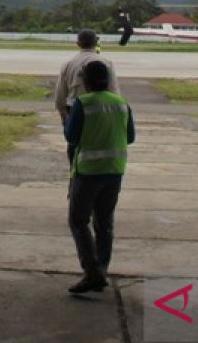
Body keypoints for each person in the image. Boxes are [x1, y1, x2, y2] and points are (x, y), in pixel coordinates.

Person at [64, 59, 134, 294]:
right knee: (104, 223)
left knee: (78, 220)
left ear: (85, 80)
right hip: (115, 170)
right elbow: (130, 137)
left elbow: (71, 137)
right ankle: (101, 270)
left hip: (88, 172)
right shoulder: (122, 103)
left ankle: (92, 272)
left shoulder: (83, 104)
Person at [53, 29, 119, 163]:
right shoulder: (106, 63)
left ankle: (75, 178)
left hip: (74, 109)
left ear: (78, 43)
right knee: (99, 146)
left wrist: (64, 116)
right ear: (96, 43)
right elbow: (114, 93)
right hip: (101, 110)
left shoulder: (68, 64)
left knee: (75, 148)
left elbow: (60, 95)